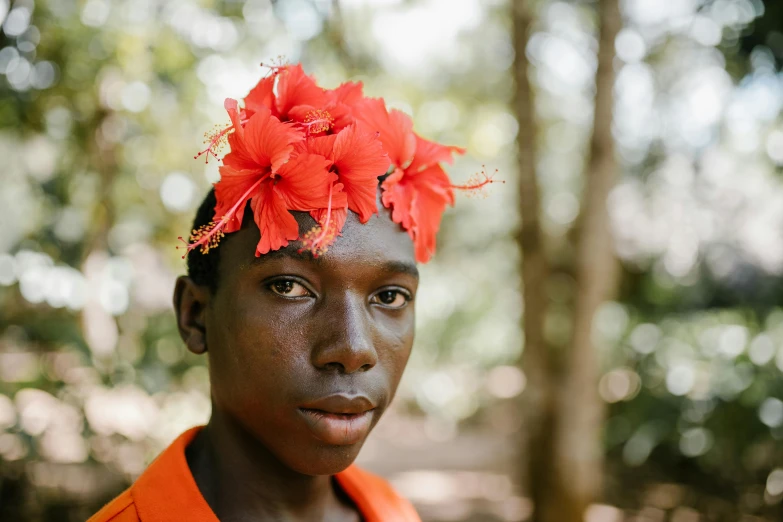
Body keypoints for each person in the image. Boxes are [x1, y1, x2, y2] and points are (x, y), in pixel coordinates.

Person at [89, 63, 496, 522]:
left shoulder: (392, 511)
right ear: (196, 315)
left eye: (389, 297)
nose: (353, 349)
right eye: (288, 286)